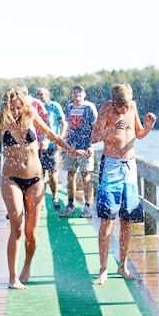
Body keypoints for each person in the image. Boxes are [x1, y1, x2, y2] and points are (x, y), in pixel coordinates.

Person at [0, 86, 87, 290]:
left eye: (18, 107)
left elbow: (50, 134)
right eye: (12, 108)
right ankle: (13, 277)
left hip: (35, 179)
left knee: (32, 233)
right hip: (11, 178)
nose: (15, 111)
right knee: (17, 227)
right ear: (5, 106)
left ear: (24, 105)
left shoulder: (30, 114)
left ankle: (27, 265)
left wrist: (72, 150)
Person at [91, 83, 157, 285]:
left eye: (127, 105)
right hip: (110, 165)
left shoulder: (133, 106)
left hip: (129, 166)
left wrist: (148, 127)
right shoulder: (106, 109)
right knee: (107, 219)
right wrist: (111, 128)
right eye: (122, 107)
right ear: (114, 103)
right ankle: (103, 269)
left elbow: (138, 134)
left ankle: (123, 266)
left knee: (127, 219)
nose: (125, 110)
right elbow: (94, 138)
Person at [59, 85, 98, 218]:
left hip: (85, 148)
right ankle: (70, 205)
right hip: (71, 147)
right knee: (70, 176)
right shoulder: (69, 107)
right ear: (72, 95)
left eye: (80, 92)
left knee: (86, 176)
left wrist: (91, 146)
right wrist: (64, 146)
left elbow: (95, 128)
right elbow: (68, 126)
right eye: (75, 92)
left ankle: (87, 207)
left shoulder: (89, 107)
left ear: (84, 94)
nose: (77, 94)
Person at [37, 87, 68, 211]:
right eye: (38, 94)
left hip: (52, 146)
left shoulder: (54, 106)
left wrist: (59, 140)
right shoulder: (36, 107)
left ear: (48, 95)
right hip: (39, 146)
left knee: (53, 175)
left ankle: (54, 197)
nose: (41, 96)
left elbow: (64, 124)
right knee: (40, 175)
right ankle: (42, 202)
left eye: (43, 94)